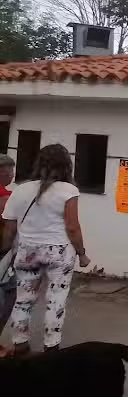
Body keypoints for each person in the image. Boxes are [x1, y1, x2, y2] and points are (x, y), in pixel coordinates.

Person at [0, 144, 91, 356]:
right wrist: (82, 253)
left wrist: (5, 251)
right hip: (58, 252)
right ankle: (51, 347)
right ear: (66, 165)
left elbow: (10, 228)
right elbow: (72, 226)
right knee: (55, 299)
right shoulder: (68, 190)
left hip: (27, 251)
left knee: (23, 299)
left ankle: (20, 344)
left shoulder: (21, 190)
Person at [0, 154, 15, 358]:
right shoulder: (5, 197)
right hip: (2, 254)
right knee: (7, 295)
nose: (13, 174)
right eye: (10, 170)